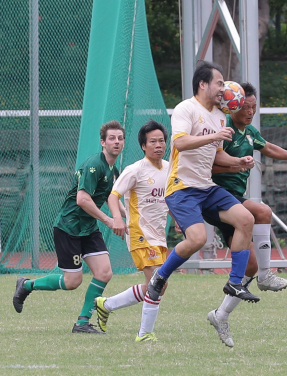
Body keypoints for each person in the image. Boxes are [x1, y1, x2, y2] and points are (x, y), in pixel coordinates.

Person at [205, 82, 287, 347]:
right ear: (233, 105)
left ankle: (220, 315)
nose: (250, 112)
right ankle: (267, 276)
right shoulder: (224, 129)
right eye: (246, 107)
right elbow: (209, 166)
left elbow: (269, 148)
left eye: (254, 107)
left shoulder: (249, 132)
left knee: (250, 266)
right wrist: (235, 166)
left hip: (235, 201)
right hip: (217, 198)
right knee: (262, 210)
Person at [146, 61, 259, 317]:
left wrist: (237, 162)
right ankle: (160, 276)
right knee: (198, 239)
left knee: (246, 218)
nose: (223, 88)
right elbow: (181, 143)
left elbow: (216, 156)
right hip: (182, 187)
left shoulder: (220, 116)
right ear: (203, 84)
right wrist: (214, 137)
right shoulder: (186, 108)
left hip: (206, 187)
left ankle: (234, 281)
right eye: (219, 83)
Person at [13, 120, 125, 334]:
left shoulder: (113, 170)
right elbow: (82, 199)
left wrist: (128, 217)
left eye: (120, 138)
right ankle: (27, 285)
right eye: (112, 138)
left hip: (89, 228)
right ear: (103, 142)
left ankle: (82, 322)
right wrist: (109, 220)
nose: (116, 142)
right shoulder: (94, 165)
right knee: (72, 281)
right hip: (69, 227)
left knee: (104, 272)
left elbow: (114, 197)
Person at [93, 120, 171, 342]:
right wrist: (117, 218)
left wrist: (178, 219)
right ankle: (144, 334)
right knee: (159, 282)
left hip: (159, 235)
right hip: (139, 232)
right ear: (143, 146)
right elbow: (112, 195)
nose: (158, 145)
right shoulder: (135, 170)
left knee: (154, 286)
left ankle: (106, 305)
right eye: (153, 141)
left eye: (161, 141)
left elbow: (171, 198)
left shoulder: (169, 168)